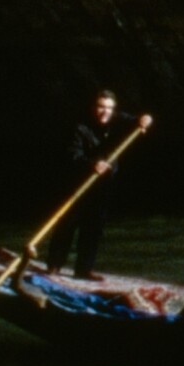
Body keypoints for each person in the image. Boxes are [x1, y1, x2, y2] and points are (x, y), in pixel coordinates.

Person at [53, 89, 129, 278]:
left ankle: (84, 270)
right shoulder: (79, 128)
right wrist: (92, 164)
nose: (105, 112)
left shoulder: (114, 120)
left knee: (94, 228)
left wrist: (143, 120)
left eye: (109, 108)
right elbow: (72, 155)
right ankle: (54, 265)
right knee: (67, 225)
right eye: (101, 107)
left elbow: (130, 119)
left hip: (102, 188)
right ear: (93, 108)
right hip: (78, 185)